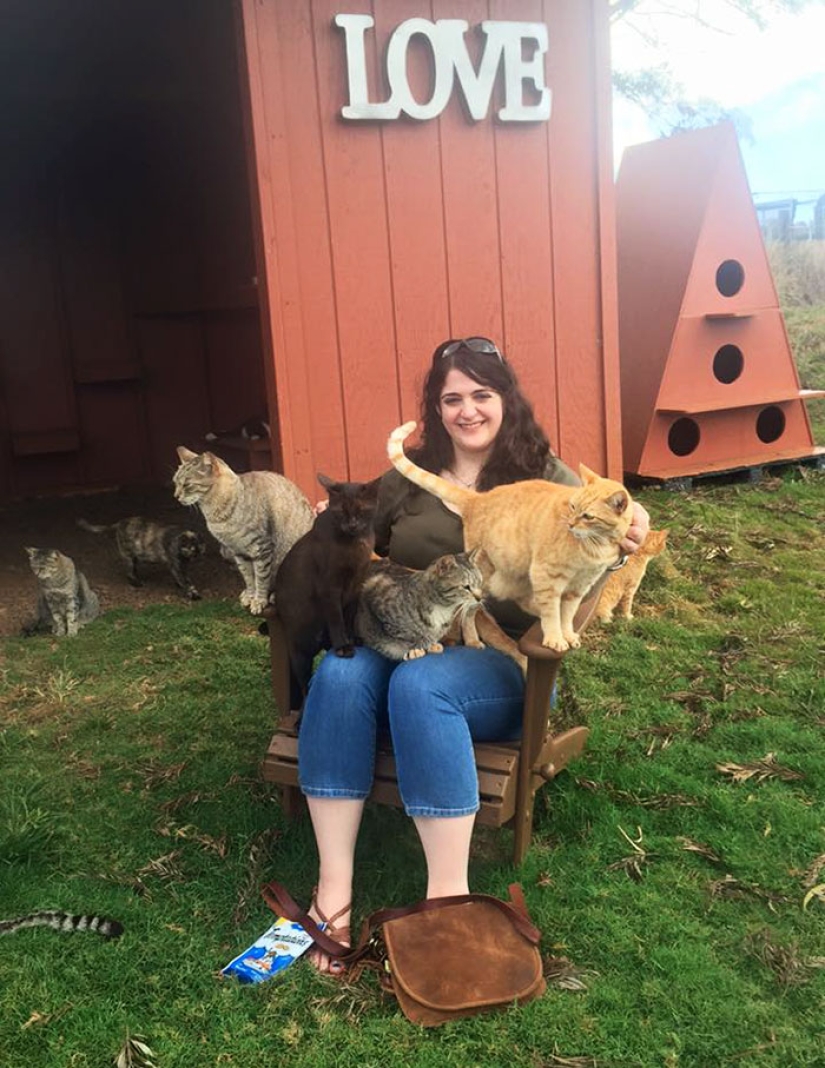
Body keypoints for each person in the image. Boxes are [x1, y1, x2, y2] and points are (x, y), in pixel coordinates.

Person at [296, 337, 650, 974]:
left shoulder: (552, 476)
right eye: (451, 398)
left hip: (500, 655)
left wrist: (628, 541)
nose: (467, 411)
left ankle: (448, 901)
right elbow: (354, 529)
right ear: (436, 407)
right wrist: (325, 521)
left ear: (504, 399)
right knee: (343, 674)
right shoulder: (411, 474)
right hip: (403, 623)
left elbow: (607, 534)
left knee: (420, 687)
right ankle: (333, 891)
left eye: (481, 395)